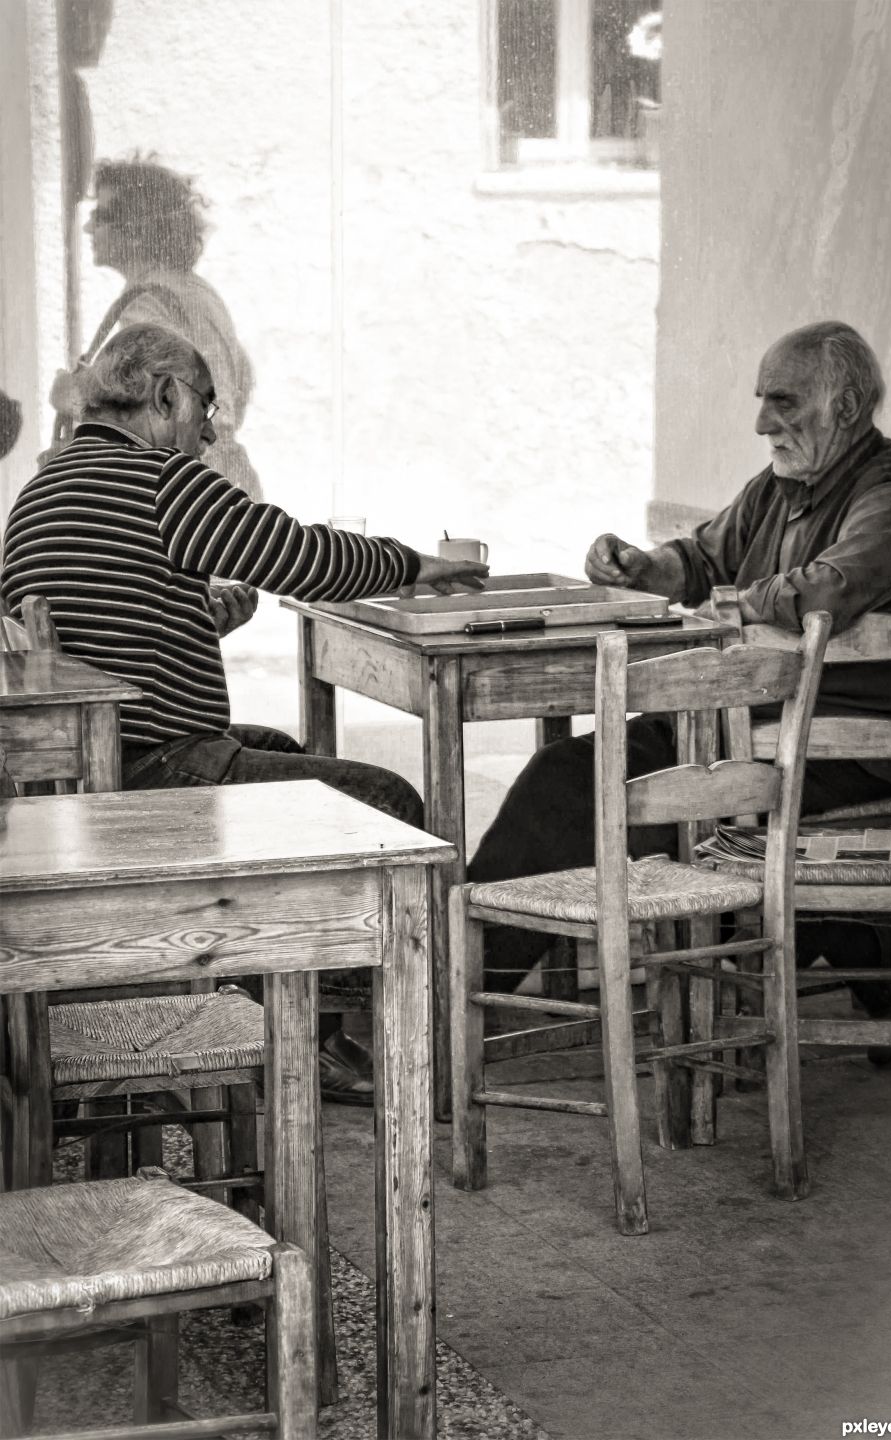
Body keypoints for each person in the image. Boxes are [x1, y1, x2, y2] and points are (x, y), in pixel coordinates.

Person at [1, 322, 488, 1103]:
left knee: (288, 752)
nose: (211, 431)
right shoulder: (161, 478)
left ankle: (294, 1028)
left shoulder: (42, 489)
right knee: (388, 807)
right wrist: (420, 566)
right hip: (161, 780)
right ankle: (373, 1046)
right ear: (164, 395)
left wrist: (196, 612)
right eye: (205, 406)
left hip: (88, 787)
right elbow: (298, 553)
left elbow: (111, 621)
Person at [468, 321, 891, 1050]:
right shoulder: (780, 486)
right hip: (741, 728)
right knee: (572, 775)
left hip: (831, 752)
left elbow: (825, 590)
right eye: (762, 401)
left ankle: (453, 1009)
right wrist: (643, 567)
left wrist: (737, 603)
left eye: (783, 401)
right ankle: (861, 942)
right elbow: (700, 558)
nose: (763, 422)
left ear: (846, 406)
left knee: (574, 784)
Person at [49, 157, 262, 499]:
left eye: (101, 216)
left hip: (188, 486)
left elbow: (149, 408)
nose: (89, 228)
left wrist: (69, 394)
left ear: (135, 229)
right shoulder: (197, 291)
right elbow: (235, 383)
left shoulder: (145, 301)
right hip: (227, 473)